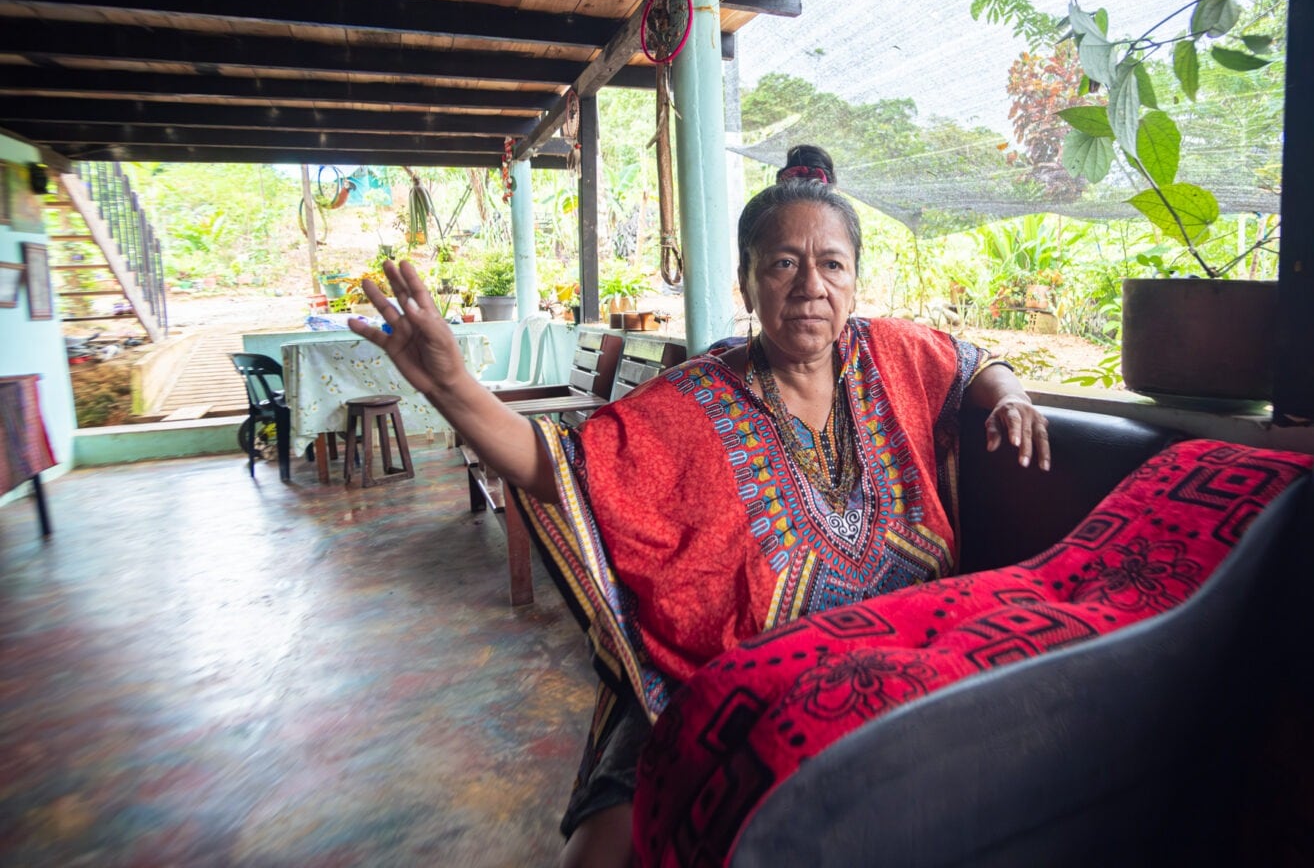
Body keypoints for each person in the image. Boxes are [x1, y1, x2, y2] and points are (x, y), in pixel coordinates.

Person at [349, 151, 1050, 867]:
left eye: (832, 265)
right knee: (603, 848)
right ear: (746, 282)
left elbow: (975, 361)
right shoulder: (695, 399)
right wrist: (452, 387)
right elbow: (557, 467)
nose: (811, 285)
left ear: (854, 281)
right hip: (707, 681)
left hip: (897, 663)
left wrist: (1014, 398)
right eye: (783, 264)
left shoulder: (895, 354)